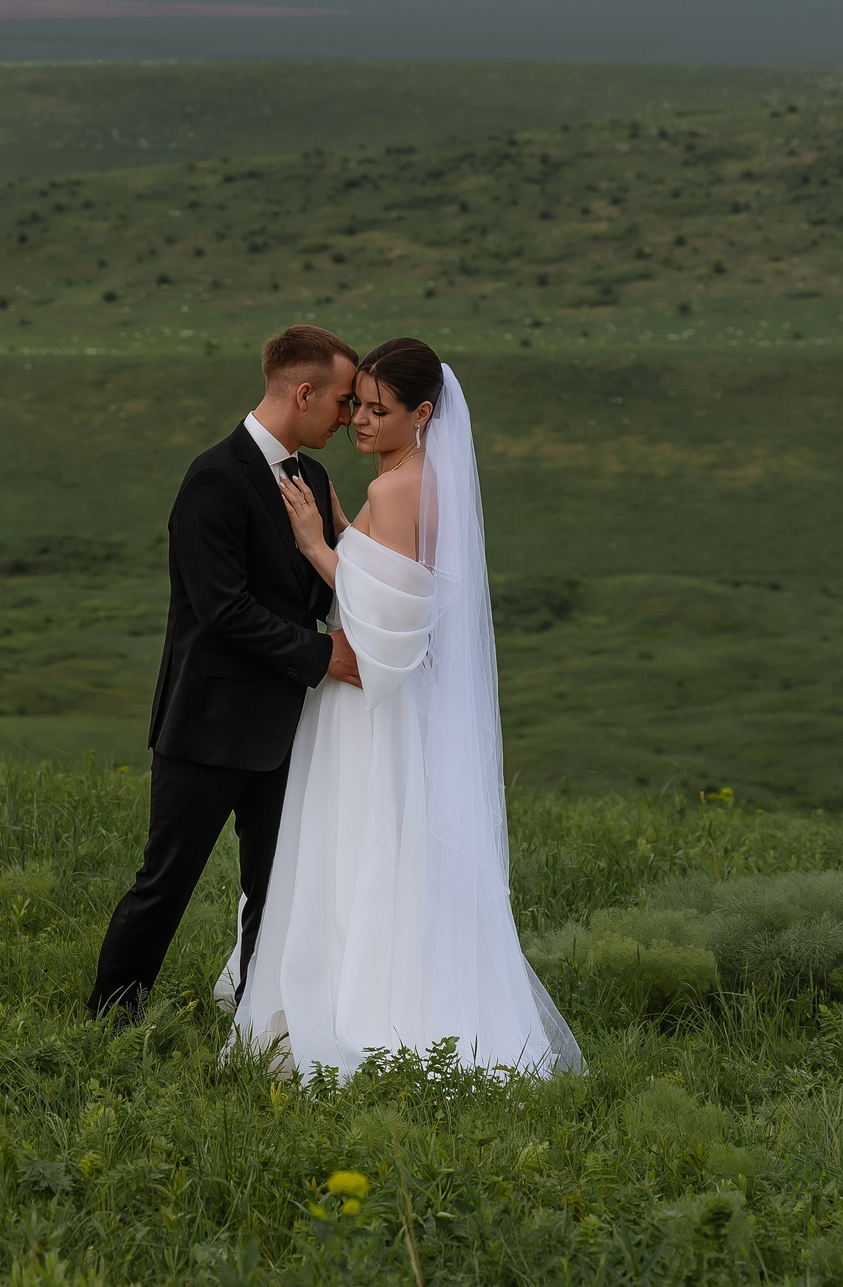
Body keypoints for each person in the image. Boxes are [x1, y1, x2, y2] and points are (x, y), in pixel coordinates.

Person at [226, 337, 585, 1083]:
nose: (358, 420)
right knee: (381, 845)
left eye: (378, 410)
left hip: (371, 704)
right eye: (356, 404)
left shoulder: (397, 489)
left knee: (359, 844)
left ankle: (355, 1010)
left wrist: (317, 546)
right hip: (394, 703)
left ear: (422, 414)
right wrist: (346, 538)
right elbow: (398, 578)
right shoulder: (414, 480)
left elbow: (390, 620)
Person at [89, 325, 363, 1021]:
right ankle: (109, 1017)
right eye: (342, 400)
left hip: (285, 728)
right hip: (207, 725)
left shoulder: (313, 479)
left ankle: (256, 1024)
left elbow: (315, 593)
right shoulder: (213, 477)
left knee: (276, 887)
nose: (349, 416)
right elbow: (222, 610)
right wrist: (323, 655)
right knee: (166, 881)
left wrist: (352, 552)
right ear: (304, 393)